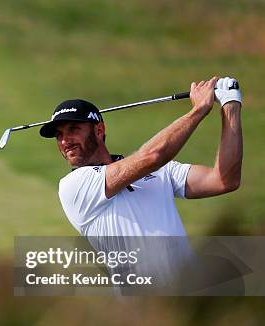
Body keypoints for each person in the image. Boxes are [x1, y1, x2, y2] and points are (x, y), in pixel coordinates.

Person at [39, 76, 243, 291]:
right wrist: (198, 110)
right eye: (59, 135)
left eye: (73, 129)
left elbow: (224, 180)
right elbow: (151, 157)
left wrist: (231, 105)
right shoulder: (73, 185)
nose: (65, 141)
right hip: (144, 309)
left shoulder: (162, 171)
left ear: (99, 131)